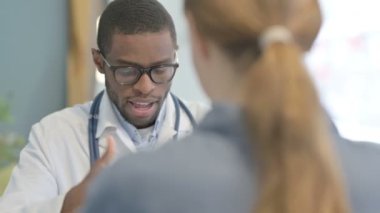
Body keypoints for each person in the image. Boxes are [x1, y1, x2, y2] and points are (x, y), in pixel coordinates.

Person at [82, 0, 380, 212]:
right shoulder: (373, 174)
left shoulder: (133, 189)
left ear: (196, 38)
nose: (145, 85)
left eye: (158, 69)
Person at [0, 0, 208, 212]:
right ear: (99, 62)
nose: (145, 87)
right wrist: (69, 205)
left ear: (175, 58)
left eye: (160, 69)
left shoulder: (211, 128)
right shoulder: (53, 136)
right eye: (127, 70)